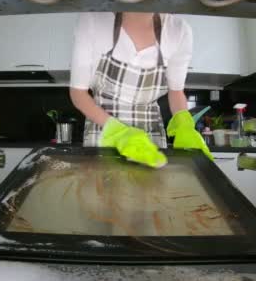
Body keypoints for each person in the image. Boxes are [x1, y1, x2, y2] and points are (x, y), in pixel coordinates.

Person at [69, 12, 212, 168]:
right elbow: (78, 93)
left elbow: (176, 91)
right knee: (105, 189)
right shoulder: (93, 21)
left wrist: (184, 125)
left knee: (150, 190)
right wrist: (117, 132)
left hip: (150, 134)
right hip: (104, 129)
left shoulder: (179, 30)